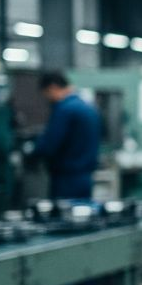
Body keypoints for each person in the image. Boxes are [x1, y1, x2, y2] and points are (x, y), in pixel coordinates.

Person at [31, 72, 101, 200]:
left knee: (63, 217)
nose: (47, 99)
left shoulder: (64, 110)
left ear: (52, 87)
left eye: (46, 94)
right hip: (86, 177)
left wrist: (34, 153)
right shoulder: (88, 107)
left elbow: (50, 144)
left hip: (66, 179)